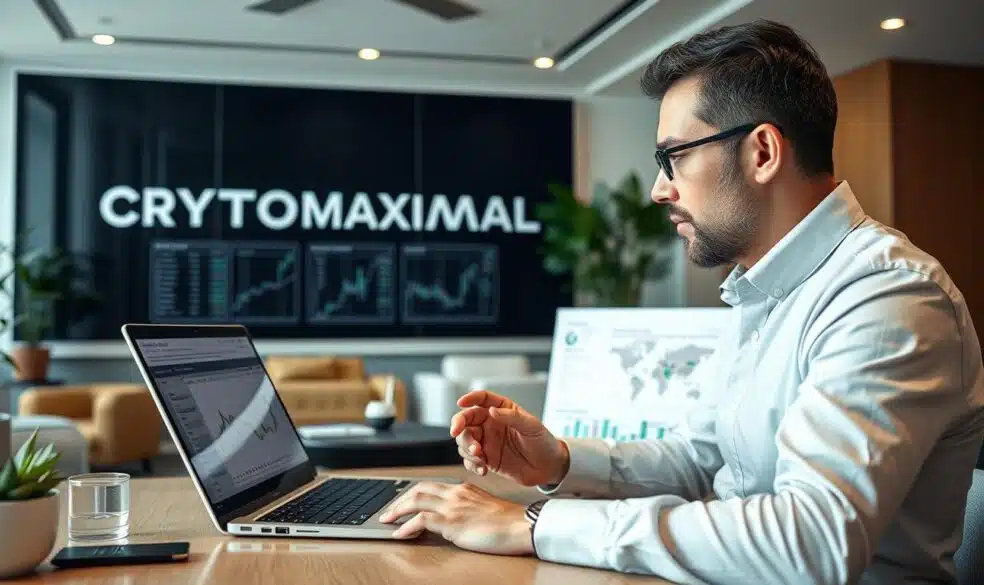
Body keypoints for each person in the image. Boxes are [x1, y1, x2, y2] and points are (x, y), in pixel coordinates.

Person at [377, 19, 984, 585]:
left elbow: (812, 540)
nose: (660, 188)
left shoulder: (885, 296)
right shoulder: (765, 292)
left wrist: (534, 525)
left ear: (763, 152)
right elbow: (704, 462)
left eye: (675, 156)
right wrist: (560, 461)